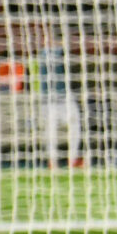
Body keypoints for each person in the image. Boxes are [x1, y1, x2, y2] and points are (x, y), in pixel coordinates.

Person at [39, 41, 81, 169]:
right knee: (50, 131)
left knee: (73, 126)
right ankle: (55, 161)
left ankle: (70, 159)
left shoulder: (57, 53)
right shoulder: (46, 54)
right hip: (51, 101)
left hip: (62, 100)